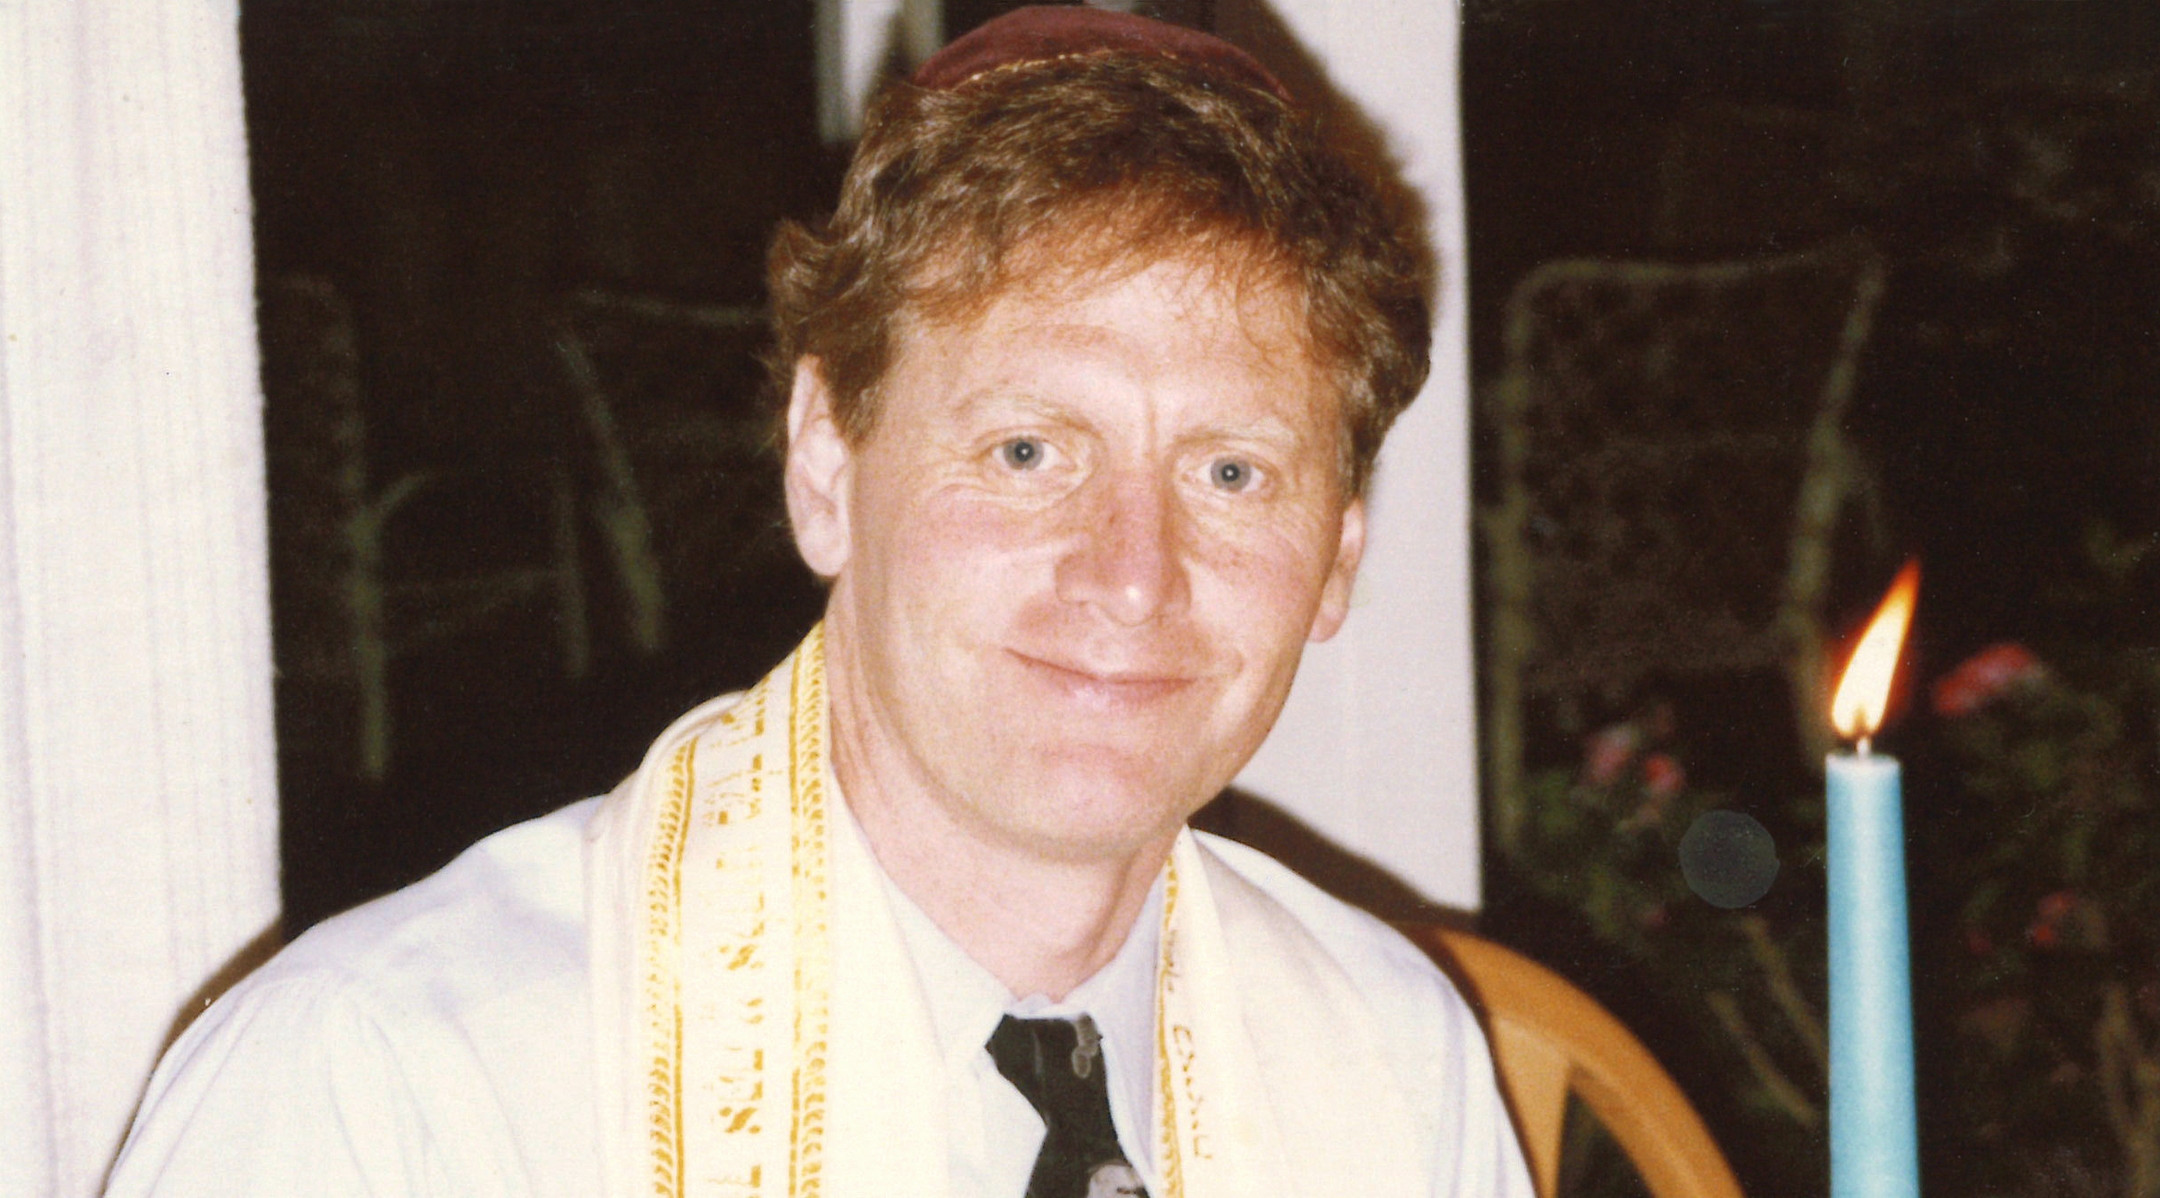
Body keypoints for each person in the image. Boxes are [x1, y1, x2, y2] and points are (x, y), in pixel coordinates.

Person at [105, 8, 1533, 1197]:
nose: (1133, 571)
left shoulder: (1387, 1065)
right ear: (825, 468)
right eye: (1028, 451)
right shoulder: (397, 1092)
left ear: (1337, 556)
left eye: (1231, 471)